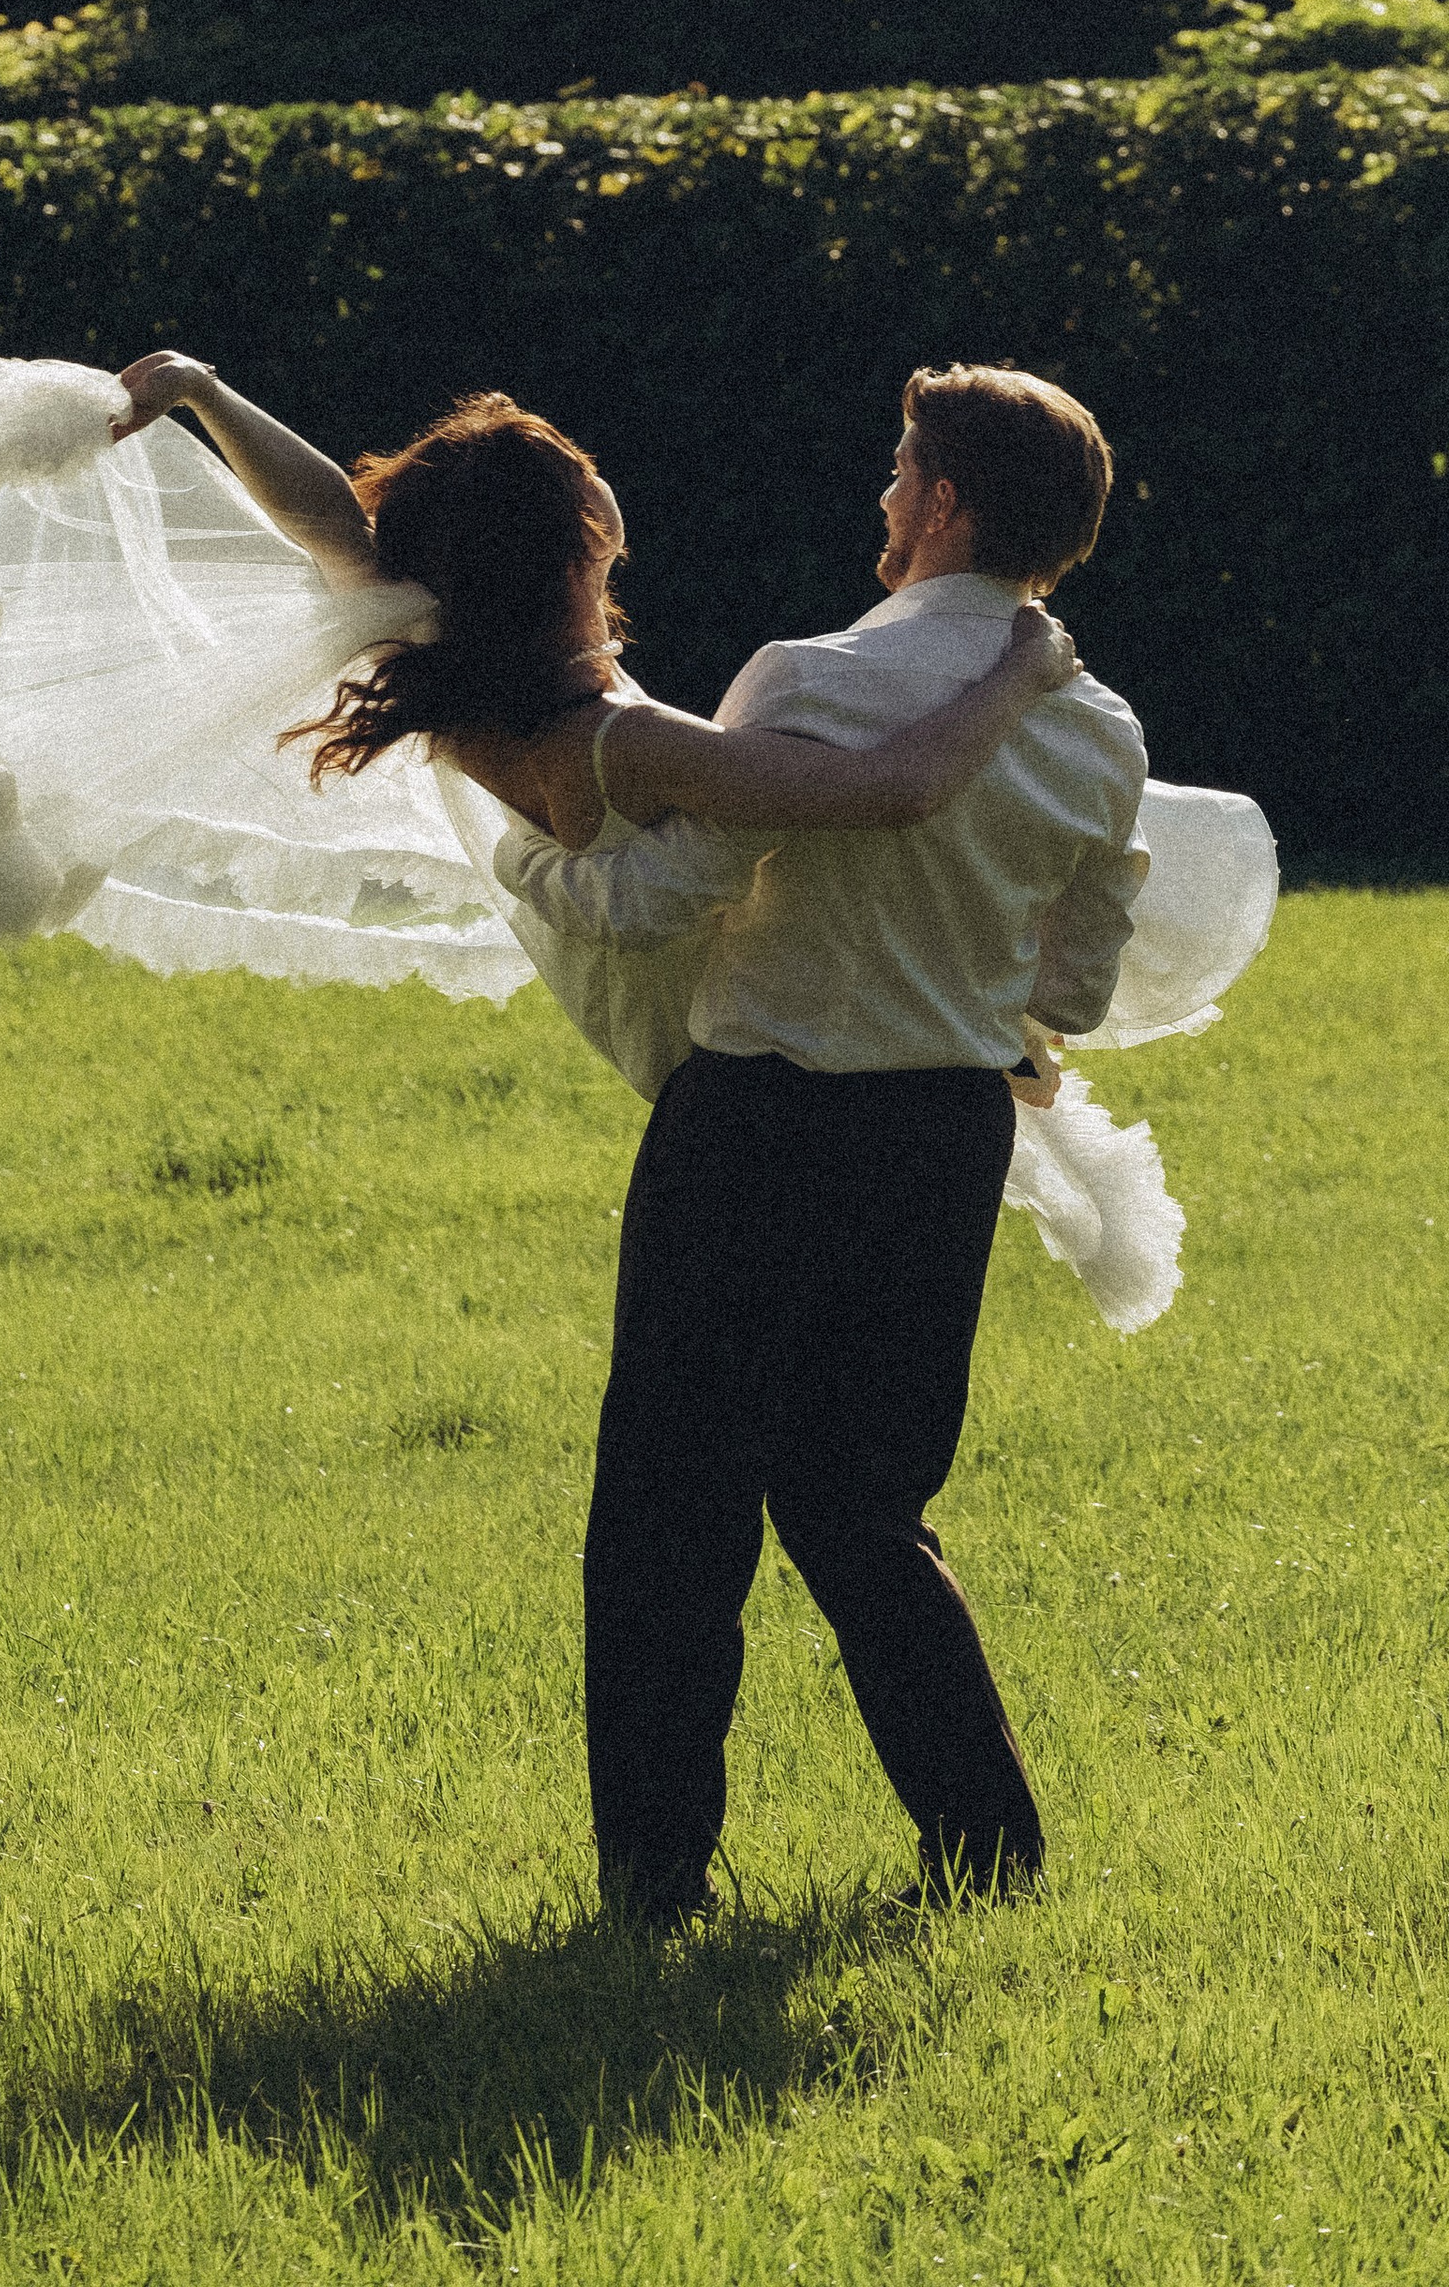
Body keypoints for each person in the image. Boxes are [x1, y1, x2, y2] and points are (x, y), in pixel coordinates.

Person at [492, 360, 1150, 1928]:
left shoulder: (808, 679)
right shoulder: (1102, 727)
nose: (879, 496)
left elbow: (655, 899)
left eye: (896, 468)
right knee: (867, 1509)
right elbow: (1079, 983)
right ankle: (987, 1847)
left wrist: (510, 842)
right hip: (941, 1142)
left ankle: (657, 1887)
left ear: (943, 504)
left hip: (759, 1131)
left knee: (671, 1512)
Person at [107, 352, 1084, 883]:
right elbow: (896, 790)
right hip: (737, 1081)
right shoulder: (625, 745)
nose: (600, 471)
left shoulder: (446, 653)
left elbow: (329, 519)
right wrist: (1021, 669)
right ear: (577, 535)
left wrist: (201, 388)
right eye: (584, 471)